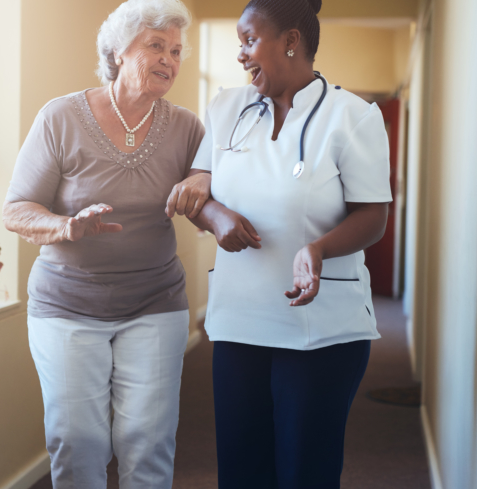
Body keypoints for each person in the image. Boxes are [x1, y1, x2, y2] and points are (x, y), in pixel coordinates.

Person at [168, 0, 392, 486]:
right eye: (238, 44)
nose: (241, 55)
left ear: (291, 41)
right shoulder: (228, 107)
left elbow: (373, 215)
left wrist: (318, 249)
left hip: (320, 327)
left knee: (304, 471)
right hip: (238, 322)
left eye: (249, 41)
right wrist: (217, 215)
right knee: (242, 469)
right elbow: (198, 189)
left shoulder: (352, 116)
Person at [2, 1, 209, 487]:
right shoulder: (61, 118)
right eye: (155, 45)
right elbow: (16, 209)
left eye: (176, 50)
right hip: (67, 303)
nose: (169, 60)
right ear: (117, 51)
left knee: (149, 439)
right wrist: (66, 227)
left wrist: (203, 179)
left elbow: (209, 191)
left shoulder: (186, 127)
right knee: (78, 442)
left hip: (155, 301)